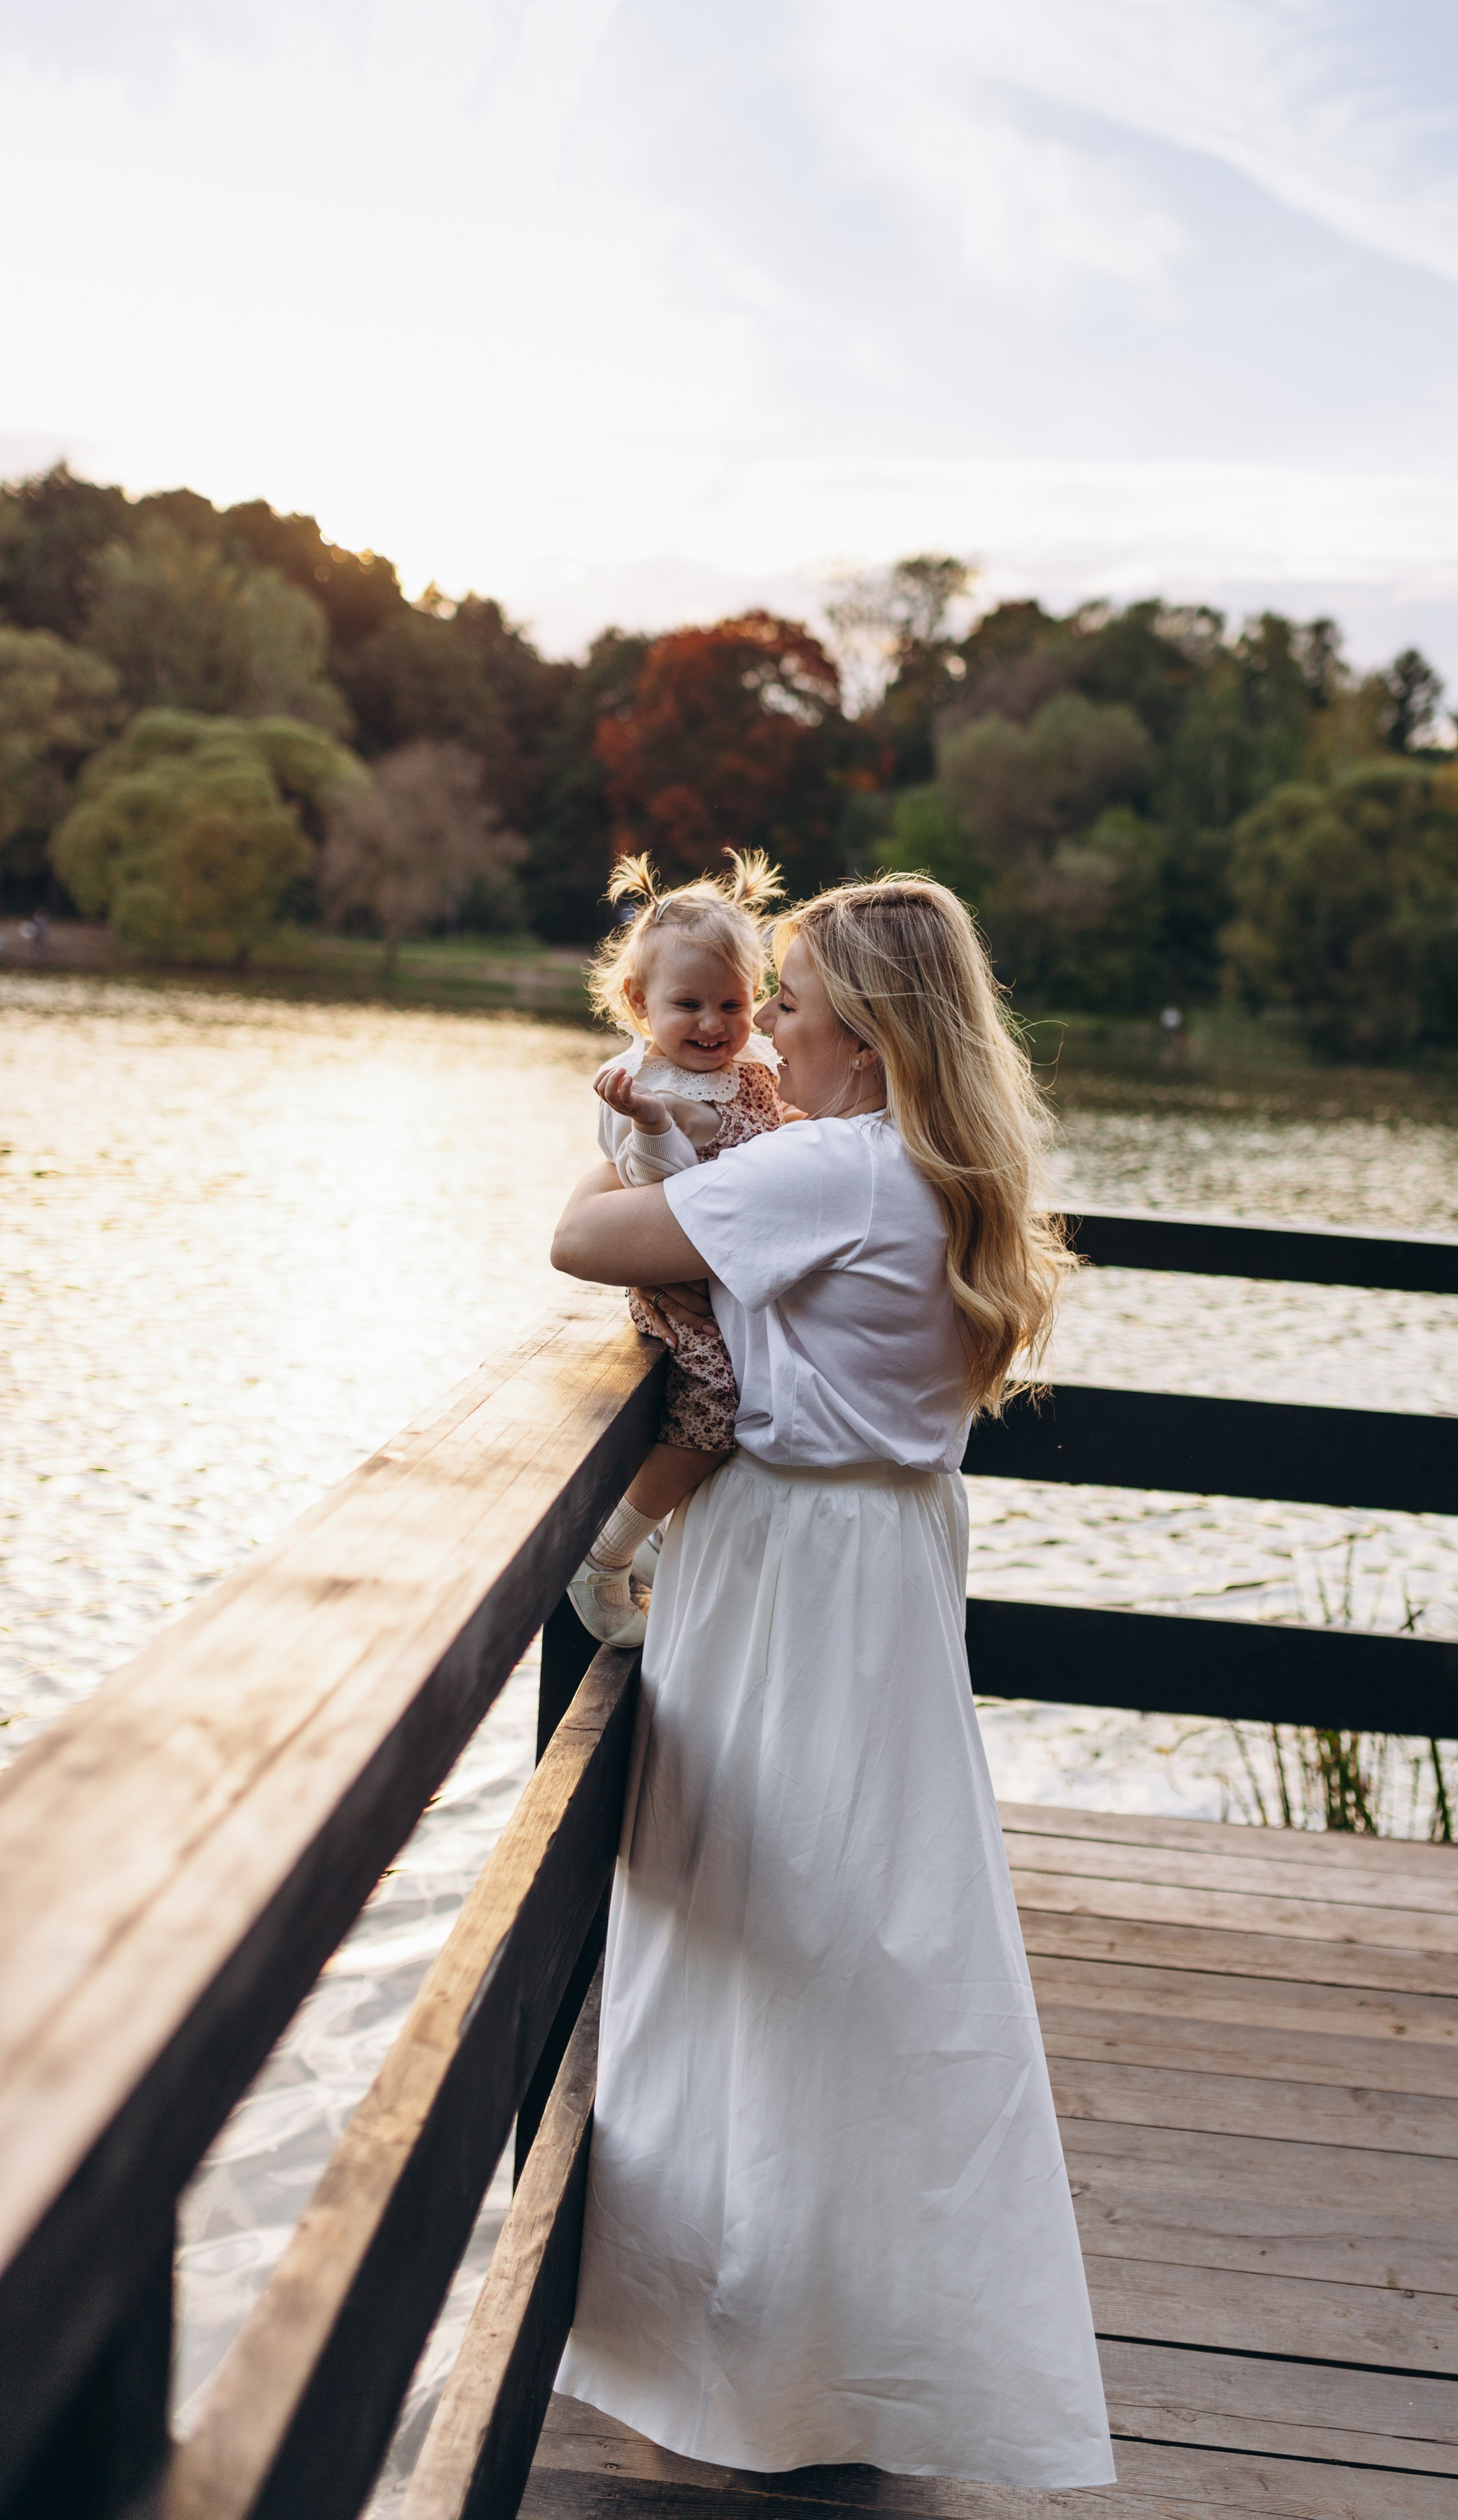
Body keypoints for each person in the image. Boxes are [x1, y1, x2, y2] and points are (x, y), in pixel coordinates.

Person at [548, 875, 1113, 2487]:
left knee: (751, 1922)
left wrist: (631, 1126)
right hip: (888, 1559)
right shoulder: (946, 1164)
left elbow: (579, 1239)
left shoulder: (827, 1167)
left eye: (787, 1007)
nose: (766, 1036)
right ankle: (847, 2351)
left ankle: (744, 2361)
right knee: (868, 1931)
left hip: (792, 1566)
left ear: (859, 1032)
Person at [564, 848, 785, 1647]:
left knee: (758, 1402)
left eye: (734, 1003)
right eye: (688, 1004)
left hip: (730, 1277)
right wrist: (656, 1126)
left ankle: (658, 1539)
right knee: (715, 1410)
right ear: (637, 1001)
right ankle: (604, 1553)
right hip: (678, 1284)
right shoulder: (639, 1086)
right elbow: (649, 1190)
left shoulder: (752, 1062)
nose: (714, 1024)